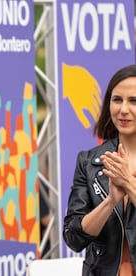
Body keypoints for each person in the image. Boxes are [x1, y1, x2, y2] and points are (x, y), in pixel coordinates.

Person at [63, 64, 136, 275]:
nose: (123, 109)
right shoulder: (89, 161)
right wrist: (110, 201)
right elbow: (73, 237)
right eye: (117, 100)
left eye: (133, 101)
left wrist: (129, 184)